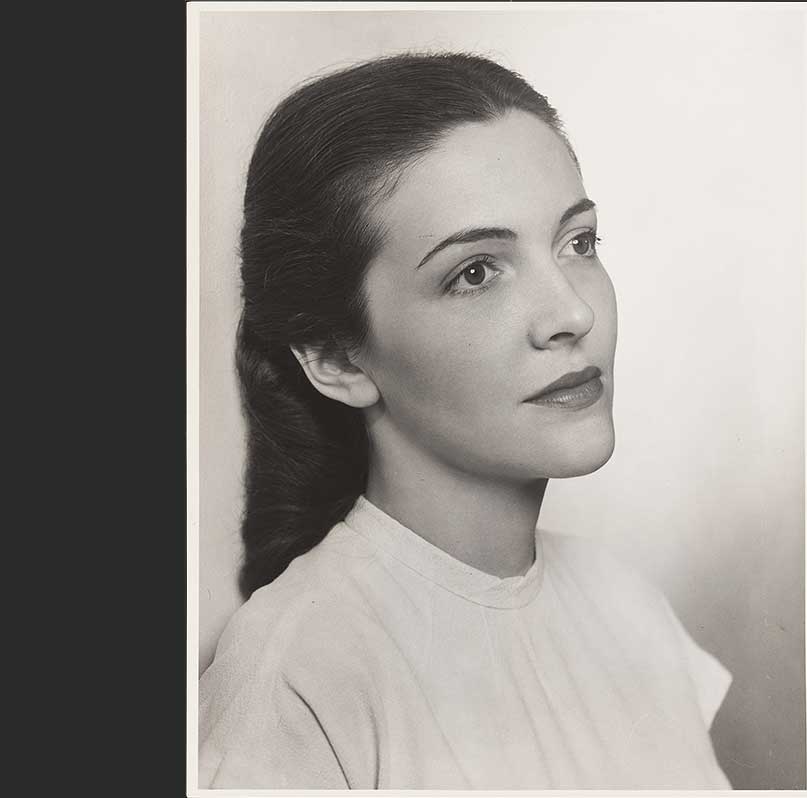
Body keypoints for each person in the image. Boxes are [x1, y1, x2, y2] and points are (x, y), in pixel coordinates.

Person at [198, 51, 732, 790]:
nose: (572, 314)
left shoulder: (627, 605)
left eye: (578, 244)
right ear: (336, 359)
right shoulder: (297, 669)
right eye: (475, 272)